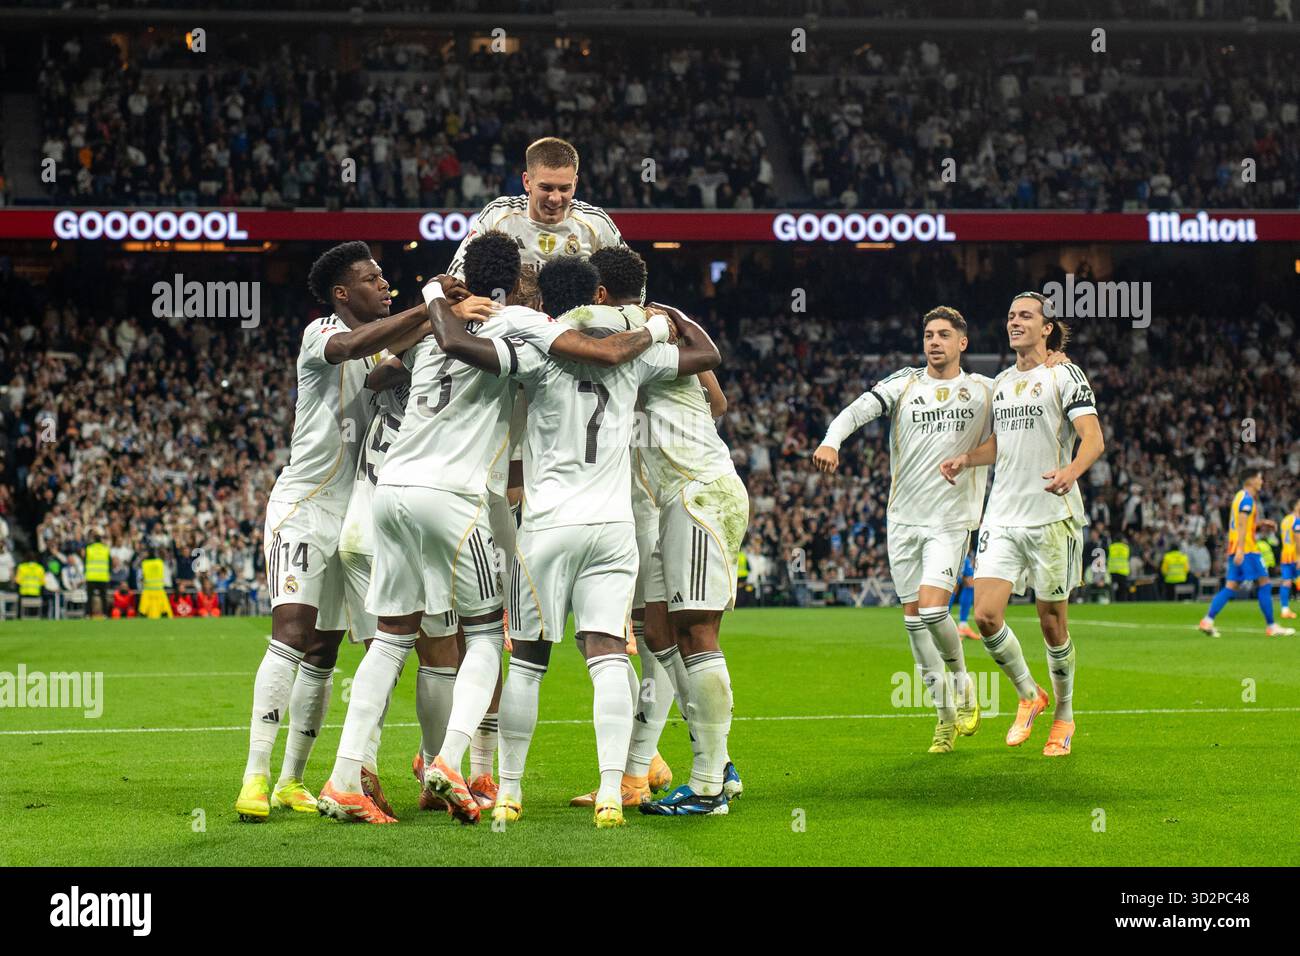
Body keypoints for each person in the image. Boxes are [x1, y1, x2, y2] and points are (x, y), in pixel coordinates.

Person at [317, 235, 671, 826]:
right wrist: (653, 325)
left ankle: (345, 776)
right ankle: (449, 761)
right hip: (452, 497)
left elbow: (382, 367)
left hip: (389, 490)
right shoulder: (520, 323)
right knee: (484, 635)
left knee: (391, 636)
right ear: (517, 282)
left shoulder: (431, 325)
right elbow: (596, 355)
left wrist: (434, 298)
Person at [429, 254, 717, 828]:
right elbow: (707, 356)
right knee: (609, 656)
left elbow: (463, 346)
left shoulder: (536, 353)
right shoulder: (636, 353)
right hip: (612, 530)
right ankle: (613, 791)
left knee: (530, 665)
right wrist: (663, 318)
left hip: (546, 529)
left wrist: (442, 297)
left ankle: (509, 792)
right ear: (600, 296)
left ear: (548, 303)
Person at [235, 241, 489, 824]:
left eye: (385, 278)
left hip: (359, 512)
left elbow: (393, 363)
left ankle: (294, 780)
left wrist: (445, 315)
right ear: (343, 294)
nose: (385, 286)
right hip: (303, 505)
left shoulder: (382, 350)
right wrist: (430, 308)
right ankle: (254, 775)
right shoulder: (321, 332)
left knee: (327, 650)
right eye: (373, 279)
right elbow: (353, 345)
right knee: (291, 633)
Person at [815, 306, 993, 753]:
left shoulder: (985, 390)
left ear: (962, 343)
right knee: (914, 624)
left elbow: (1017, 424)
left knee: (934, 612)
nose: (934, 342)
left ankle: (964, 686)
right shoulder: (905, 383)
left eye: (944, 335)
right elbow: (856, 411)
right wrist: (832, 439)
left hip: (950, 521)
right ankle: (944, 718)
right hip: (903, 520)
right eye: (929, 334)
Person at [940, 291, 1105, 757]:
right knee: (986, 615)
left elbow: (1093, 438)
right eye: (1011, 315)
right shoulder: (1003, 382)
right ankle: (1030, 693)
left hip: (1052, 516)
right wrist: (967, 457)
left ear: (1047, 327)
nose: (1015, 322)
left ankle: (1064, 716)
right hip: (1004, 515)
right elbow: (1003, 443)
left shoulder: (1064, 374)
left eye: (1026, 316)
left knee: (1052, 623)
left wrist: (1070, 472)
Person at [1198, 469, 1295, 637]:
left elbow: (1243, 523)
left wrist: (1261, 523)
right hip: (1247, 549)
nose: (1262, 481)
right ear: (1250, 481)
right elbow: (1242, 526)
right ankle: (1271, 626)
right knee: (1264, 583)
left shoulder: (1239, 497)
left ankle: (1207, 620)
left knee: (1231, 586)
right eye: (1259, 478)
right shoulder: (1247, 499)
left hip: (1236, 547)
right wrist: (1241, 550)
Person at [138, 550, 172, 619]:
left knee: (144, 610)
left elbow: (141, 577)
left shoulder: (144, 563)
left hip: (147, 590)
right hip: (159, 589)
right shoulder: (160, 562)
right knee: (164, 609)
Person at [1279, 498, 1299, 619]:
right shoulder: (1296, 521)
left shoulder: (1286, 520)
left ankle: (1285, 610)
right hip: (1295, 555)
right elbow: (1298, 540)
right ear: (1296, 506)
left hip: (1285, 554)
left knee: (1286, 582)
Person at [85, 533, 111, 619]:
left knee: (89, 597)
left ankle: (88, 615)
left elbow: (85, 562)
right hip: (103, 577)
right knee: (103, 598)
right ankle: (105, 614)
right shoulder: (105, 549)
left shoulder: (89, 549)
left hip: (91, 577)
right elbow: (109, 563)